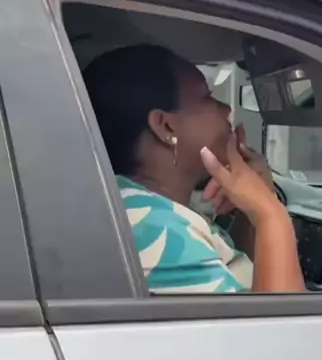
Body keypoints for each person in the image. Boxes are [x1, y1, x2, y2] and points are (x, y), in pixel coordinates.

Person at [83, 44, 305, 294]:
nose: (226, 109)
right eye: (207, 97)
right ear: (165, 126)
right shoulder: (155, 227)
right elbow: (279, 319)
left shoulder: (141, 207)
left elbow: (243, 284)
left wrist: (254, 204)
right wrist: (272, 214)